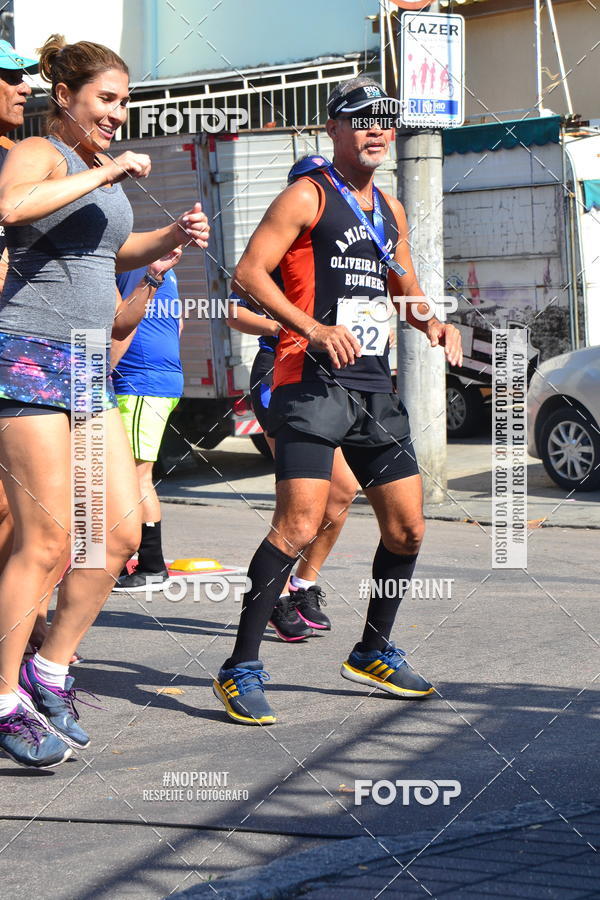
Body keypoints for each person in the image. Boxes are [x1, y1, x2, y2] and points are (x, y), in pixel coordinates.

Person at [213, 75, 462, 725]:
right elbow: (248, 275)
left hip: (373, 385)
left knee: (407, 528)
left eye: (386, 120)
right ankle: (240, 667)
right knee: (298, 524)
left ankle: (373, 650)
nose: (377, 129)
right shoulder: (308, 194)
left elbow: (404, 286)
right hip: (308, 380)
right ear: (334, 128)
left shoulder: (390, 209)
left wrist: (434, 323)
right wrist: (311, 327)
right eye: (362, 119)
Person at [0, 34, 209, 768]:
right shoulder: (43, 152)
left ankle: (49, 668)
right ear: (66, 97)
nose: (119, 113)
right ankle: (2, 698)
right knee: (47, 539)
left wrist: (166, 239)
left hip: (90, 365)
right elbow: (11, 205)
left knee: (118, 534)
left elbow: (106, 253)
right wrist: (109, 170)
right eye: (107, 99)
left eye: (125, 101)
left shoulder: (96, 169)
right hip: (31, 356)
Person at [112, 263, 185, 592]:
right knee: (129, 476)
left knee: (136, 477)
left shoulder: (127, 265)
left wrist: (102, 371)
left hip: (141, 381)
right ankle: (124, 559)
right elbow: (178, 324)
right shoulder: (155, 266)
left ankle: (152, 566)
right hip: (152, 378)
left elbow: (123, 322)